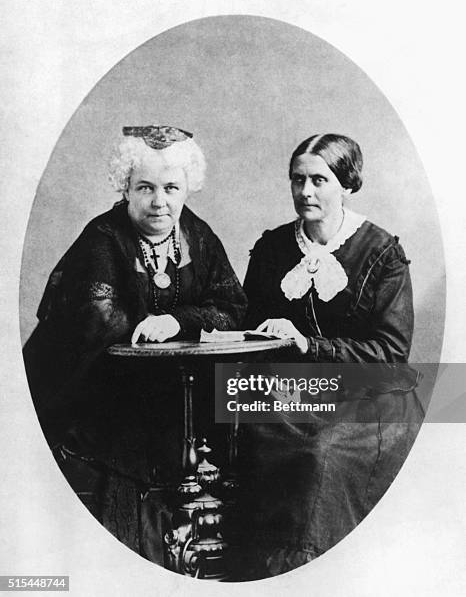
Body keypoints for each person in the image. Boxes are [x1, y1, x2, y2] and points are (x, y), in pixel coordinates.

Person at [23, 125, 247, 555]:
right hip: (101, 390)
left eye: (171, 188)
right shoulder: (102, 239)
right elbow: (99, 322)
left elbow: (233, 306)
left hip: (181, 390)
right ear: (125, 188)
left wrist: (176, 321)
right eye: (145, 187)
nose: (159, 201)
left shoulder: (197, 235)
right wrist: (157, 323)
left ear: (187, 189)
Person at [239, 133, 423, 579]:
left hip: (369, 396)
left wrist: (307, 344)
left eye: (319, 180)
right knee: (251, 432)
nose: (305, 192)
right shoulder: (272, 249)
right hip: (288, 396)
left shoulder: (381, 253)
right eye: (297, 179)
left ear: (347, 184)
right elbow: (247, 329)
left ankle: (318, 574)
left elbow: (392, 353)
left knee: (320, 454)